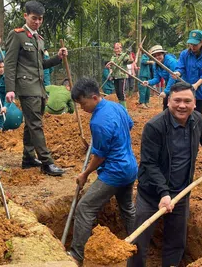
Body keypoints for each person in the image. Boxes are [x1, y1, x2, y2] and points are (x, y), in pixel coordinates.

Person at [127, 82, 202, 267]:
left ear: (194, 103)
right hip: (152, 194)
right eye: (177, 100)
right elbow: (149, 164)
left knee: (176, 241)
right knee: (138, 241)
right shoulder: (154, 127)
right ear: (168, 101)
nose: (182, 105)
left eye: (187, 101)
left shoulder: (197, 120)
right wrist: (163, 193)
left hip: (181, 192)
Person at [69, 78, 137, 265]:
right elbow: (129, 125)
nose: (82, 108)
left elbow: (100, 157)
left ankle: (76, 254)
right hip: (130, 167)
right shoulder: (117, 107)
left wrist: (85, 174)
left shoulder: (98, 121)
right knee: (127, 208)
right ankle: (138, 242)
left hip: (115, 172)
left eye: (83, 104)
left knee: (85, 208)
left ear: (94, 97)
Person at [4, 0, 68, 175]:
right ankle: (47, 162)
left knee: (31, 124)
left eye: (40, 19)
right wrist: (10, 88)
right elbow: (9, 64)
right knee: (36, 124)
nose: (37, 22)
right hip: (26, 87)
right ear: (25, 16)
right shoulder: (17, 35)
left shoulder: (39, 39)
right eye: (34, 18)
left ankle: (29, 157)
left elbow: (41, 65)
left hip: (38, 88)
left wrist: (58, 57)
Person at [173, 30, 202, 113]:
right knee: (184, 113)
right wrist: (177, 73)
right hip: (185, 90)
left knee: (197, 115)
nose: (192, 47)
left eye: (195, 44)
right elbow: (181, 68)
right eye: (191, 44)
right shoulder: (184, 54)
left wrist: (196, 85)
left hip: (200, 91)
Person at [142, 45, 177, 110]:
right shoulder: (155, 65)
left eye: (159, 55)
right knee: (166, 104)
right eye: (154, 56)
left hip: (179, 84)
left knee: (176, 104)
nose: (157, 57)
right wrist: (148, 82)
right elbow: (157, 78)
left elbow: (173, 78)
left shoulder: (171, 61)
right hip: (169, 85)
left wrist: (166, 91)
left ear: (163, 54)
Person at [105, 42, 133, 109]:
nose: (117, 49)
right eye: (115, 48)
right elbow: (111, 64)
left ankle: (124, 109)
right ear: (114, 49)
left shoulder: (124, 55)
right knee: (117, 93)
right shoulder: (113, 56)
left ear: (121, 48)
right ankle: (121, 107)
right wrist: (109, 65)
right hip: (115, 76)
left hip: (122, 76)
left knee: (121, 92)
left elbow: (129, 61)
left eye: (118, 48)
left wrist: (129, 54)